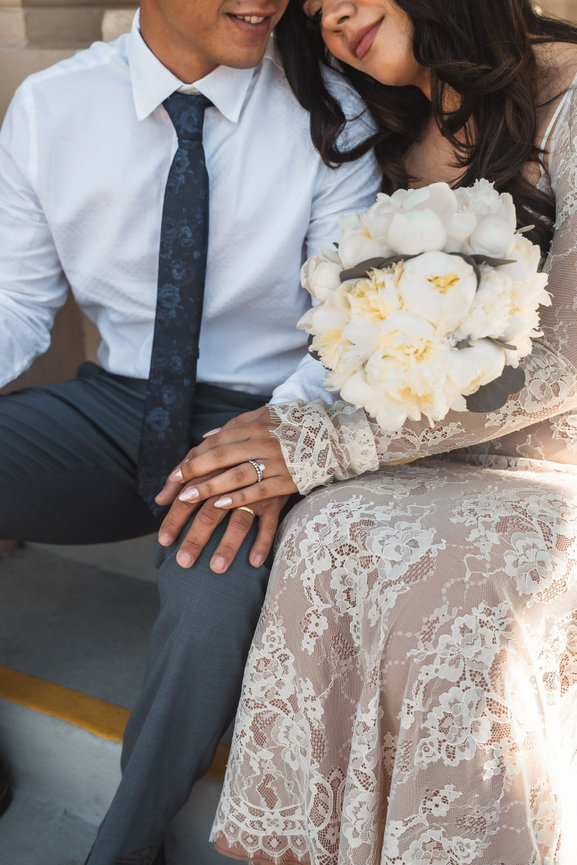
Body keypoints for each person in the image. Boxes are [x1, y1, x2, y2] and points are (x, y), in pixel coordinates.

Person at [155, 0, 577, 862]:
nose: (333, 14)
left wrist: (324, 443)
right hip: (426, 452)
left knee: (460, 584)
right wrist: (291, 438)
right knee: (320, 534)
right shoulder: (384, 139)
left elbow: (565, 350)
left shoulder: (569, 98)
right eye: (313, 10)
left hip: (556, 467)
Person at [0, 0, 381, 859]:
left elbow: (345, 325)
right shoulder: (51, 108)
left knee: (209, 614)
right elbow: (19, 300)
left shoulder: (332, 110)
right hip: (112, 406)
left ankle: (125, 844)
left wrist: (281, 438)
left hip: (264, 412)